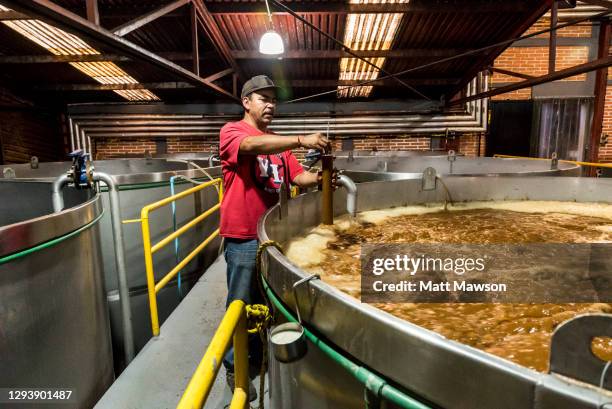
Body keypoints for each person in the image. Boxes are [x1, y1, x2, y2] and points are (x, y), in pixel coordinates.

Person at [219, 75, 330, 400]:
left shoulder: (278, 146)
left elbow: (299, 176)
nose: (270, 105)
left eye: (274, 100)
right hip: (242, 237)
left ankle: (257, 351)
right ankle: (234, 367)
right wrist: (300, 139)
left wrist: (323, 179)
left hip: (272, 237)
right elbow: (250, 147)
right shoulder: (233, 132)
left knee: (264, 301)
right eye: (263, 98)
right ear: (246, 102)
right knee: (239, 304)